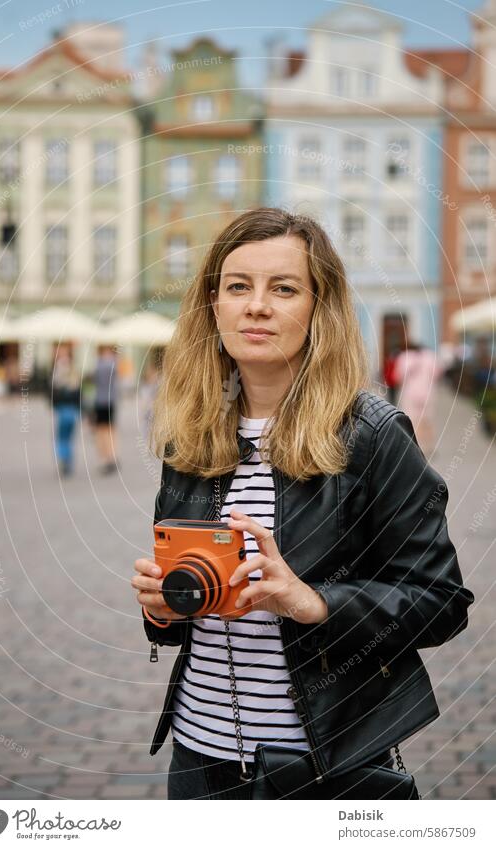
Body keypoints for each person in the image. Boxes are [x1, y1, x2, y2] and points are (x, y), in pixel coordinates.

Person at [130, 207, 474, 800]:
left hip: (324, 765)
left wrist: (314, 602)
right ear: (213, 307)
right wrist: (164, 608)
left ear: (319, 309)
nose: (256, 305)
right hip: (197, 758)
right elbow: (188, 616)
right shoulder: (190, 438)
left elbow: (442, 601)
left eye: (283, 288)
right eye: (238, 287)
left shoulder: (371, 435)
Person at [393, 339, 442, 455]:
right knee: (427, 420)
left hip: (410, 393)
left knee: (411, 421)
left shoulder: (404, 358)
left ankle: (415, 448)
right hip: (428, 392)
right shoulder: (430, 356)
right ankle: (429, 446)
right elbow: (437, 374)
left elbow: (398, 377)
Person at [49, 345, 82, 477]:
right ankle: (67, 461)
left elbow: (53, 392)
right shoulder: (74, 371)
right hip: (71, 409)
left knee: (63, 436)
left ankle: (64, 459)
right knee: (67, 436)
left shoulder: (58, 371)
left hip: (64, 408)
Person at [93, 345, 119, 474]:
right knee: (110, 430)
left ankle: (105, 458)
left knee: (101, 431)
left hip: (101, 401)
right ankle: (112, 456)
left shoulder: (99, 364)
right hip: (111, 401)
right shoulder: (114, 363)